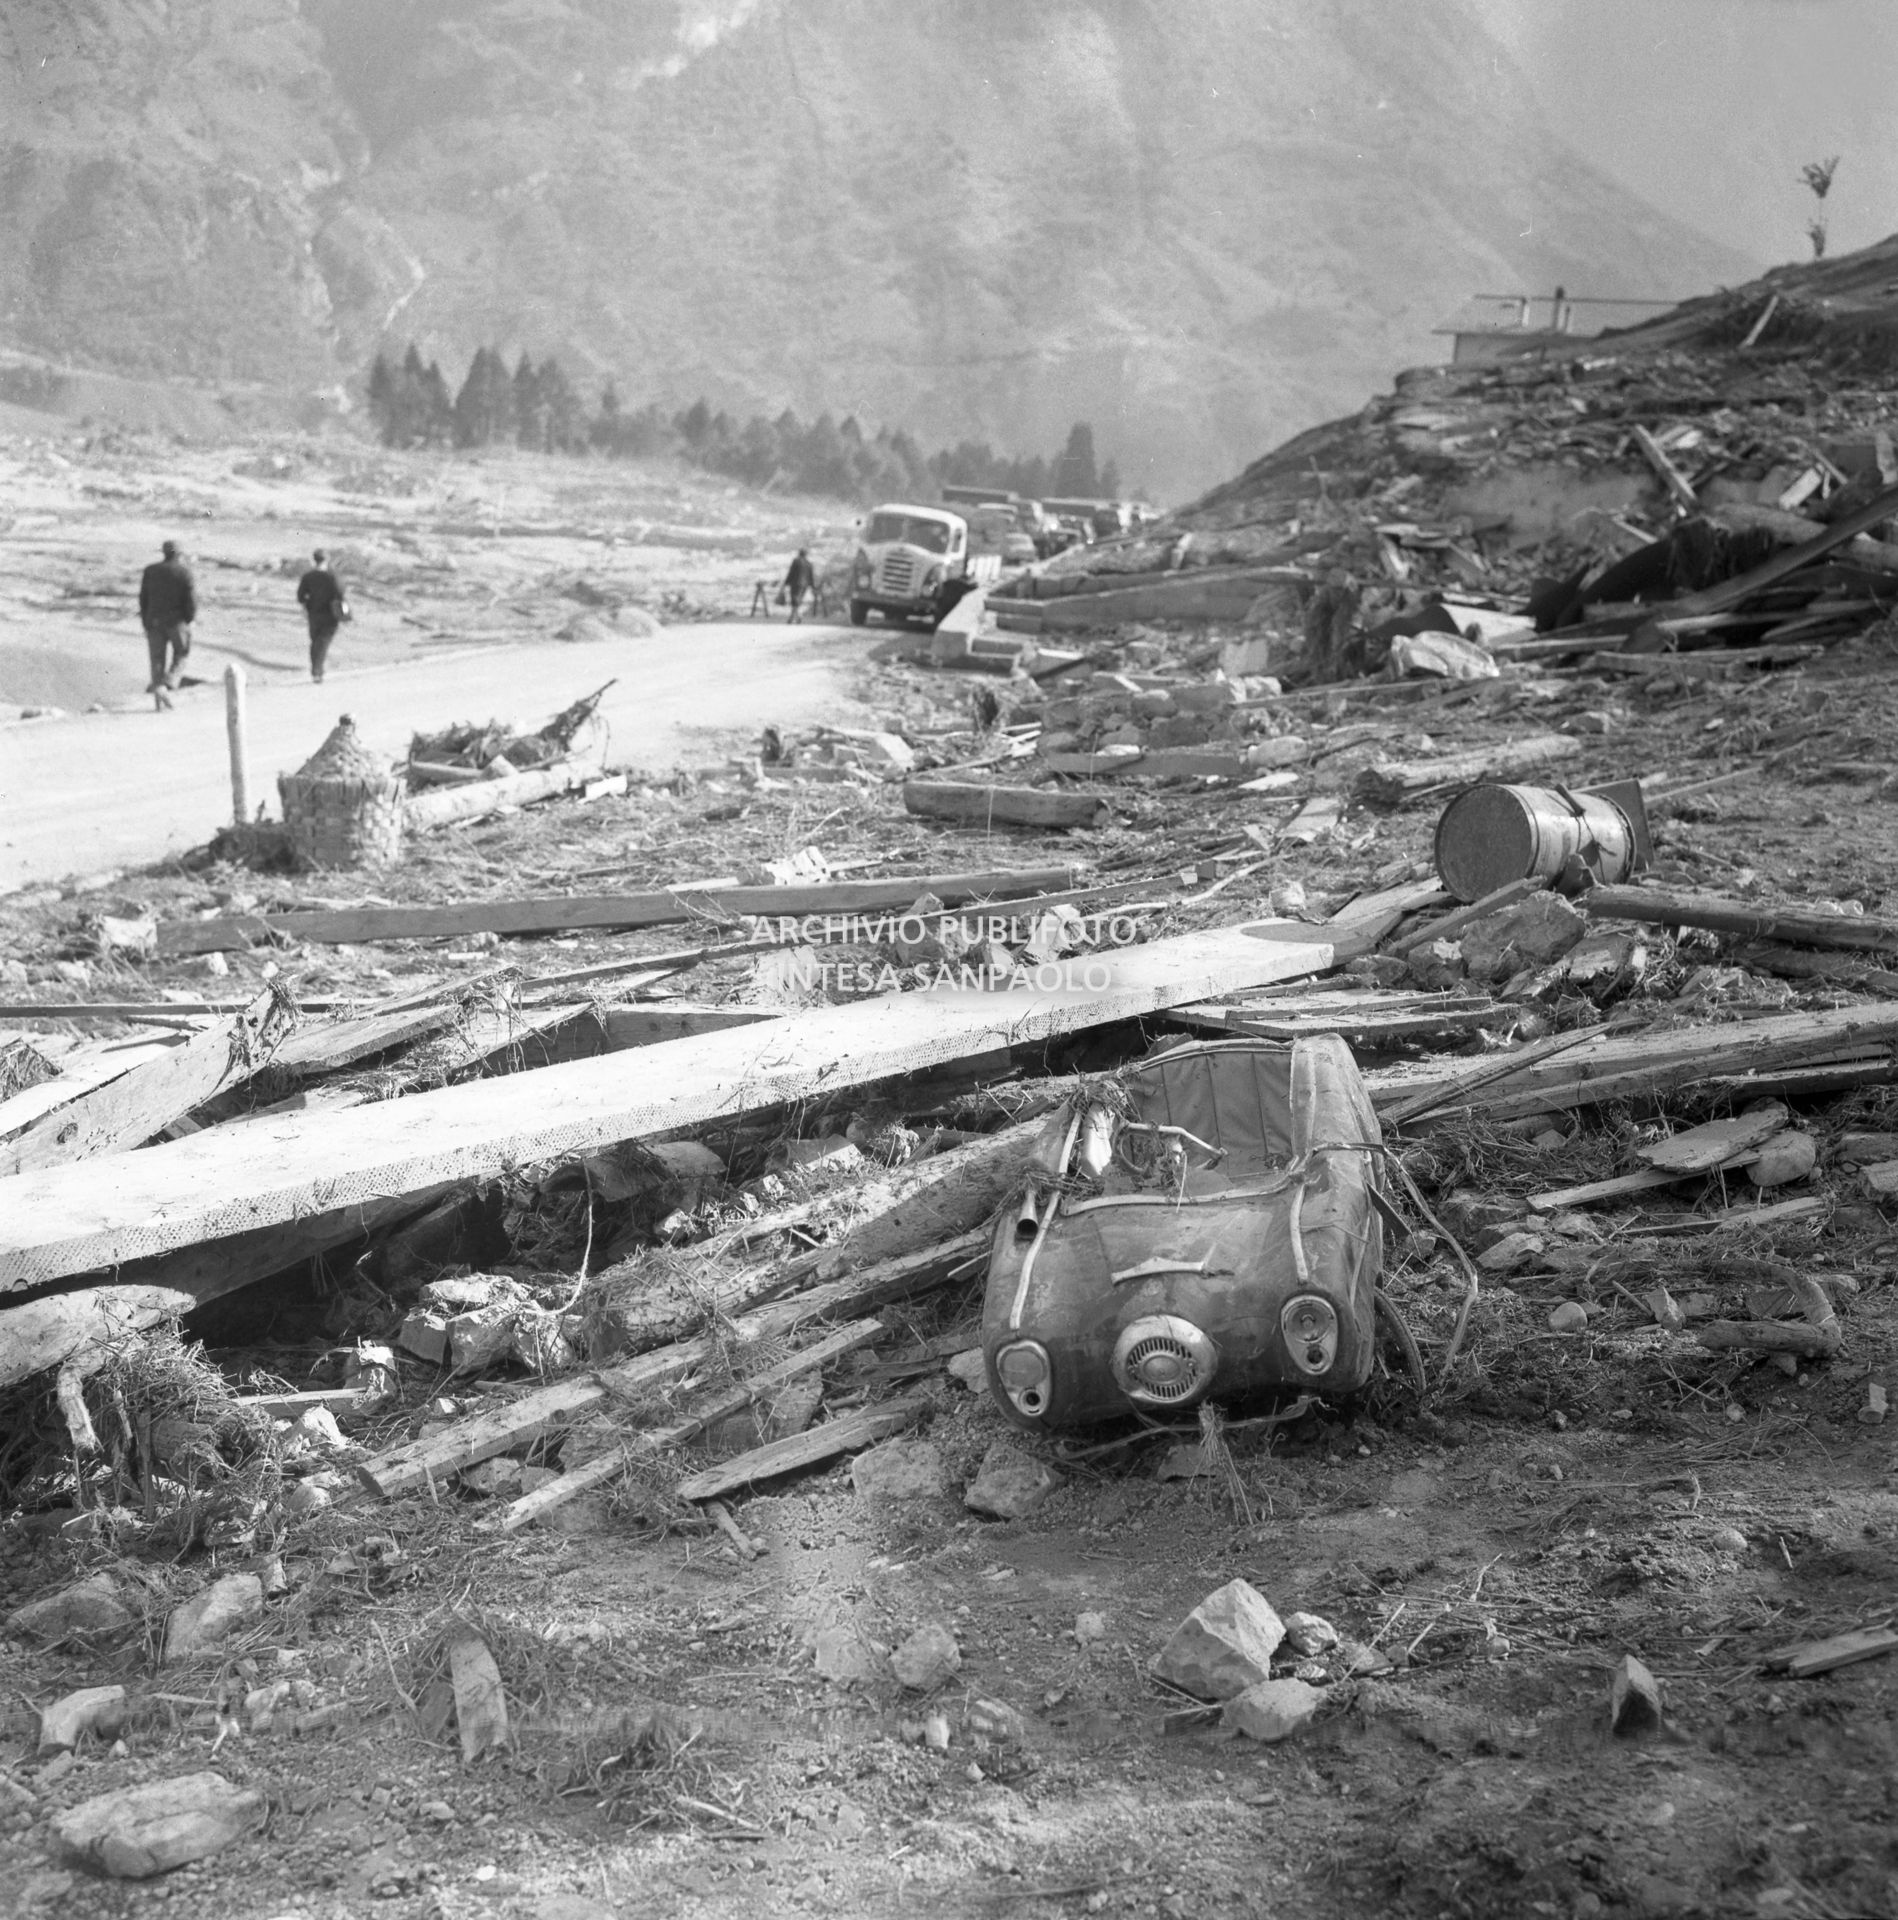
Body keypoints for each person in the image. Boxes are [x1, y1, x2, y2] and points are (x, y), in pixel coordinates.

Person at [138, 539, 196, 700]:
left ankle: (158, 691)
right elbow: (190, 601)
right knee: (182, 653)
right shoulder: (184, 572)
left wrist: (145, 621)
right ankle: (169, 683)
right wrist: (189, 619)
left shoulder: (150, 571)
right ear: (179, 554)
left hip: (154, 622)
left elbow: (143, 599)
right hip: (176, 622)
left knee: (157, 660)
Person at [296, 549, 348, 683]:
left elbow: (301, 596)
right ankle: (317, 671)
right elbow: (341, 592)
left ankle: (316, 669)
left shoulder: (308, 576)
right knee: (323, 642)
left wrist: (306, 607)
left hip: (313, 613)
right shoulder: (332, 576)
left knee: (315, 641)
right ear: (327, 559)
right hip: (331, 614)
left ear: (314, 559)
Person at [782, 547, 816, 624]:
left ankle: (795, 616)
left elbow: (791, 572)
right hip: (805, 585)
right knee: (798, 600)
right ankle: (795, 616)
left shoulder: (796, 561)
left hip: (795, 583)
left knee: (794, 600)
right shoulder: (809, 564)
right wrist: (813, 586)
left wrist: (786, 583)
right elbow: (811, 576)